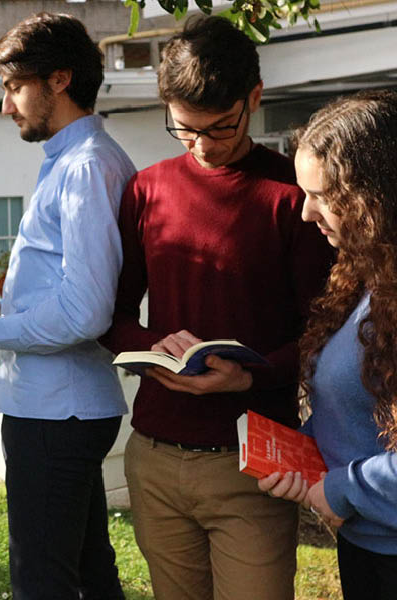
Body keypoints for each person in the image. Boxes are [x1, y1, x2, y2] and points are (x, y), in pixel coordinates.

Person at [98, 16, 335, 600]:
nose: (202, 145)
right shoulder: (146, 189)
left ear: (254, 98)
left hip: (254, 460)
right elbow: (113, 315)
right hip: (153, 456)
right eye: (184, 129)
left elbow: (325, 331)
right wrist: (152, 347)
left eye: (220, 128)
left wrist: (250, 376)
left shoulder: (295, 197)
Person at [0, 13, 135, 599]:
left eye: (14, 87)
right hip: (58, 407)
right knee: (88, 573)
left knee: (42, 581)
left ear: (59, 79)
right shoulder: (76, 160)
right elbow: (71, 289)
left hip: (57, 411)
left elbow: (87, 309)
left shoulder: (86, 166)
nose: (6, 107)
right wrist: (2, 304)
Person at [258, 90, 397, 600]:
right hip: (367, 544)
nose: (305, 213)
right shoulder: (365, 276)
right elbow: (353, 411)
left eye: (322, 195)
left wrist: (341, 488)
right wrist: (298, 456)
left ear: (374, 195)